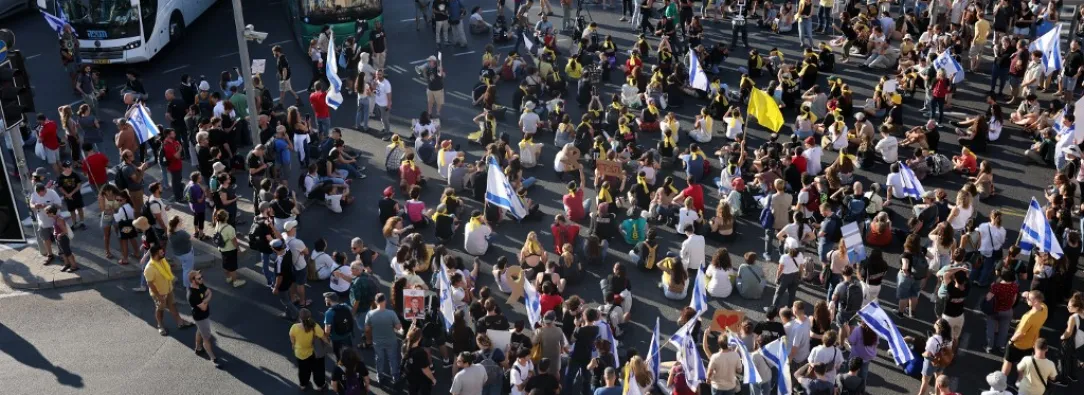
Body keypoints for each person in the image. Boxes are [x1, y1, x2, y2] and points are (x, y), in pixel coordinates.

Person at [144, 245, 194, 335]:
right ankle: (160, 325)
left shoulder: (162, 260)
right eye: (161, 252)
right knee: (160, 309)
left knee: (173, 305)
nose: (163, 253)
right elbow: (150, 284)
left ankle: (180, 322)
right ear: (155, 254)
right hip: (159, 293)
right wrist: (159, 296)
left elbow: (166, 271)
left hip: (168, 289)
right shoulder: (149, 268)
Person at [1003, 290, 1050, 377]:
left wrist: (1011, 341)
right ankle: (1019, 382)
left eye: (1028, 298)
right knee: (1024, 364)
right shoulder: (1044, 308)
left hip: (1019, 344)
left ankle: (1001, 381)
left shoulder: (1029, 317)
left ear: (1035, 301)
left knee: (1008, 361)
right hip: (1032, 342)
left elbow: (1021, 333)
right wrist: (1030, 294)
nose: (1026, 299)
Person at [366, 293, 404, 386]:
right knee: (393, 359)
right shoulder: (391, 313)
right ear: (385, 301)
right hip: (391, 341)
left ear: (376, 302)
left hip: (377, 342)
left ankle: (380, 376)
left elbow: (367, 329)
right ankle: (395, 376)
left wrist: (369, 340)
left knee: (379, 359)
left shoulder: (370, 314)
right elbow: (399, 327)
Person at [186, 270, 221, 368]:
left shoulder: (200, 285)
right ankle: (212, 357)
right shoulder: (192, 294)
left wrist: (205, 300)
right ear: (193, 281)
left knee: (200, 330)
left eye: (201, 277)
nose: (202, 279)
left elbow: (209, 292)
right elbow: (204, 307)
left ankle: (198, 348)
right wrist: (206, 299)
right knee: (207, 338)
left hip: (204, 316)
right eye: (199, 278)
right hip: (201, 318)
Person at [290, 308, 330, 391]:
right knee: (318, 369)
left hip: (300, 352)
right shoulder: (314, 326)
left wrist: (293, 345)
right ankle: (320, 385)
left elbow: (292, 337)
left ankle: (303, 384)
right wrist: (327, 344)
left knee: (303, 369)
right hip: (312, 352)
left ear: (299, 318)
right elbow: (324, 338)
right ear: (310, 317)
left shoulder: (294, 327)